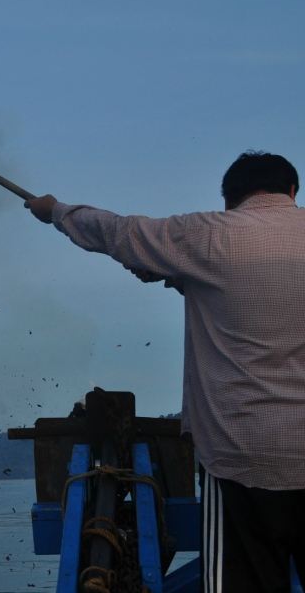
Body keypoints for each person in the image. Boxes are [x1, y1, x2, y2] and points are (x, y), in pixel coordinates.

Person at [25, 151, 305, 592]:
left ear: (230, 200)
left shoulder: (209, 236)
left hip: (241, 456)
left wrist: (56, 212)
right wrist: (175, 275)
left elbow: (119, 232)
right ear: (292, 191)